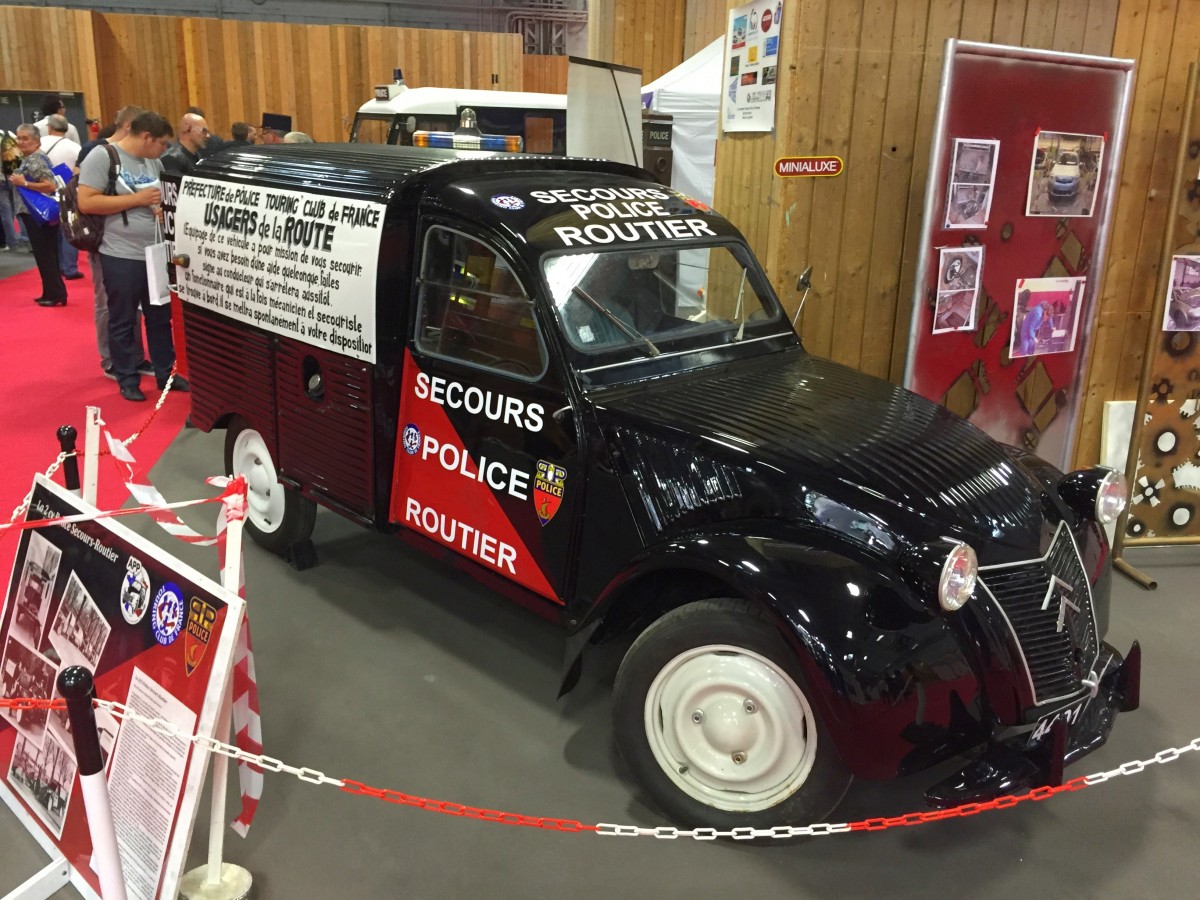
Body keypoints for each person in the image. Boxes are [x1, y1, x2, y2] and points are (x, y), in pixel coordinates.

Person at [77, 111, 188, 402]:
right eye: (161, 143)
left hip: (153, 250)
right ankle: (127, 378)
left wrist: (160, 208)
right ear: (146, 137)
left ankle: (166, 373)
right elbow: (86, 201)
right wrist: (137, 200)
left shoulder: (154, 161)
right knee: (123, 319)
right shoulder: (102, 157)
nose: (164, 149)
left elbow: (157, 197)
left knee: (160, 318)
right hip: (119, 253)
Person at [77, 106, 149, 381]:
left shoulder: (135, 155)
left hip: (131, 245)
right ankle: (111, 359)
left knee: (133, 308)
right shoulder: (97, 152)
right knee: (107, 304)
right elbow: (86, 199)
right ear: (129, 125)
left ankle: (133, 356)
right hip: (103, 241)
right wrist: (137, 201)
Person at [9, 124, 67, 306]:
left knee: (45, 254)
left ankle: (55, 293)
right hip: (38, 214)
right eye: (19, 138)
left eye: (25, 138)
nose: (21, 142)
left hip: (36, 214)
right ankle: (52, 291)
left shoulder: (35, 160)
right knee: (47, 254)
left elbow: (50, 185)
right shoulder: (33, 157)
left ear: (37, 141)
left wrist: (23, 183)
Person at [40, 115, 84, 280]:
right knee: (69, 230)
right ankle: (70, 268)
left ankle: (55, 267)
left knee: (50, 234)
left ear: (50, 127)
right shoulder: (74, 147)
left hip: (44, 193)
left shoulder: (40, 143)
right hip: (67, 192)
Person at [1, 128, 31, 252]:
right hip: (14, 176)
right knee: (18, 209)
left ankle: (12, 242)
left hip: (1, 179)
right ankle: (26, 239)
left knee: (5, 212)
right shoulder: (9, 136)